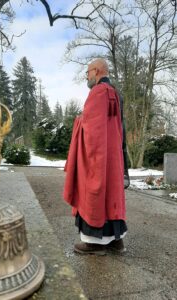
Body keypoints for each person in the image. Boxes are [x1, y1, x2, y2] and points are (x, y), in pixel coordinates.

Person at [63, 58, 128, 255]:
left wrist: (79, 121)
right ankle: (116, 241)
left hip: (98, 156)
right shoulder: (115, 93)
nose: (86, 76)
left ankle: (94, 243)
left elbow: (91, 130)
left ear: (97, 71)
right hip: (112, 155)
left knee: (94, 191)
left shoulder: (98, 92)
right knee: (112, 194)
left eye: (88, 72)